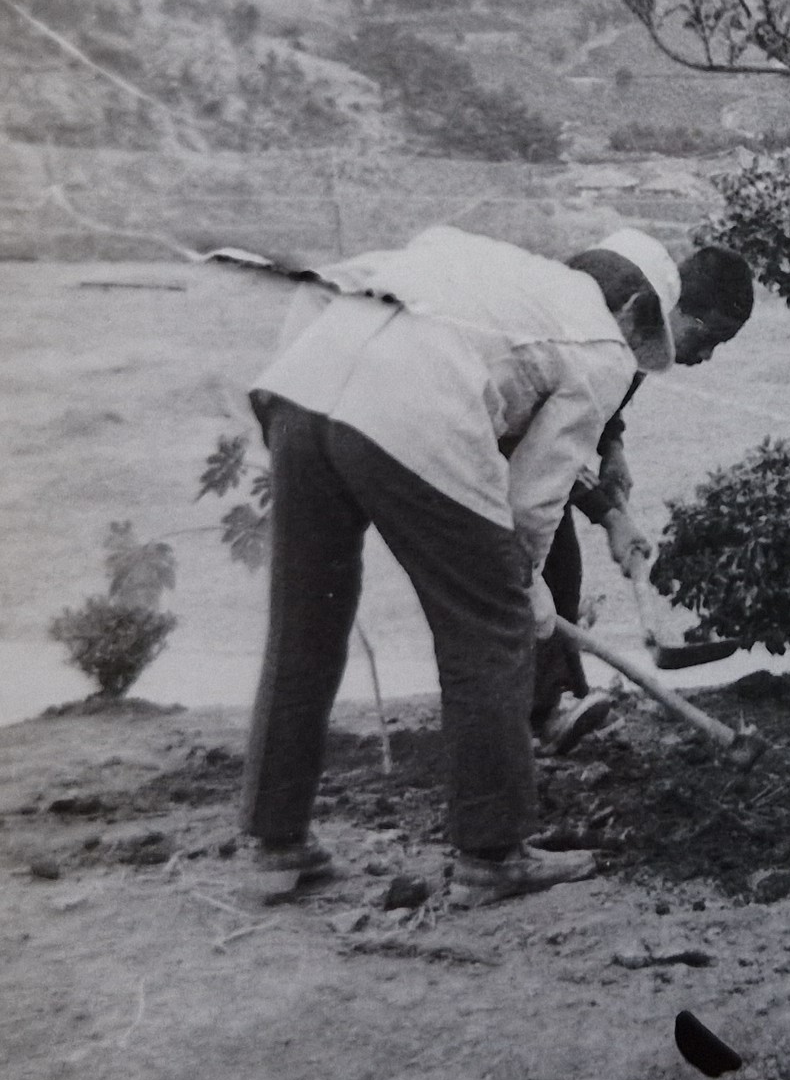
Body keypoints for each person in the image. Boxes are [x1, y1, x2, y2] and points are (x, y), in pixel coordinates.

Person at [239, 224, 676, 905]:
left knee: (306, 622)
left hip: (301, 391)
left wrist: (301, 404)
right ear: (632, 310)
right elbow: (534, 498)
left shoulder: (477, 259)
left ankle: (276, 843)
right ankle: (492, 853)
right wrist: (522, 586)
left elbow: (321, 291)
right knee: (490, 630)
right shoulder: (603, 345)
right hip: (415, 408)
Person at [527, 241, 756, 752]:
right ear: (673, 309)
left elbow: (605, 405)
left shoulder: (642, 339)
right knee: (541, 564)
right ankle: (536, 715)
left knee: (560, 569)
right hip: (498, 441)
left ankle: (556, 701)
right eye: (706, 337)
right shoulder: (614, 323)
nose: (706, 356)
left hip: (536, 440)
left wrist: (612, 449)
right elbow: (550, 454)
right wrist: (611, 518)